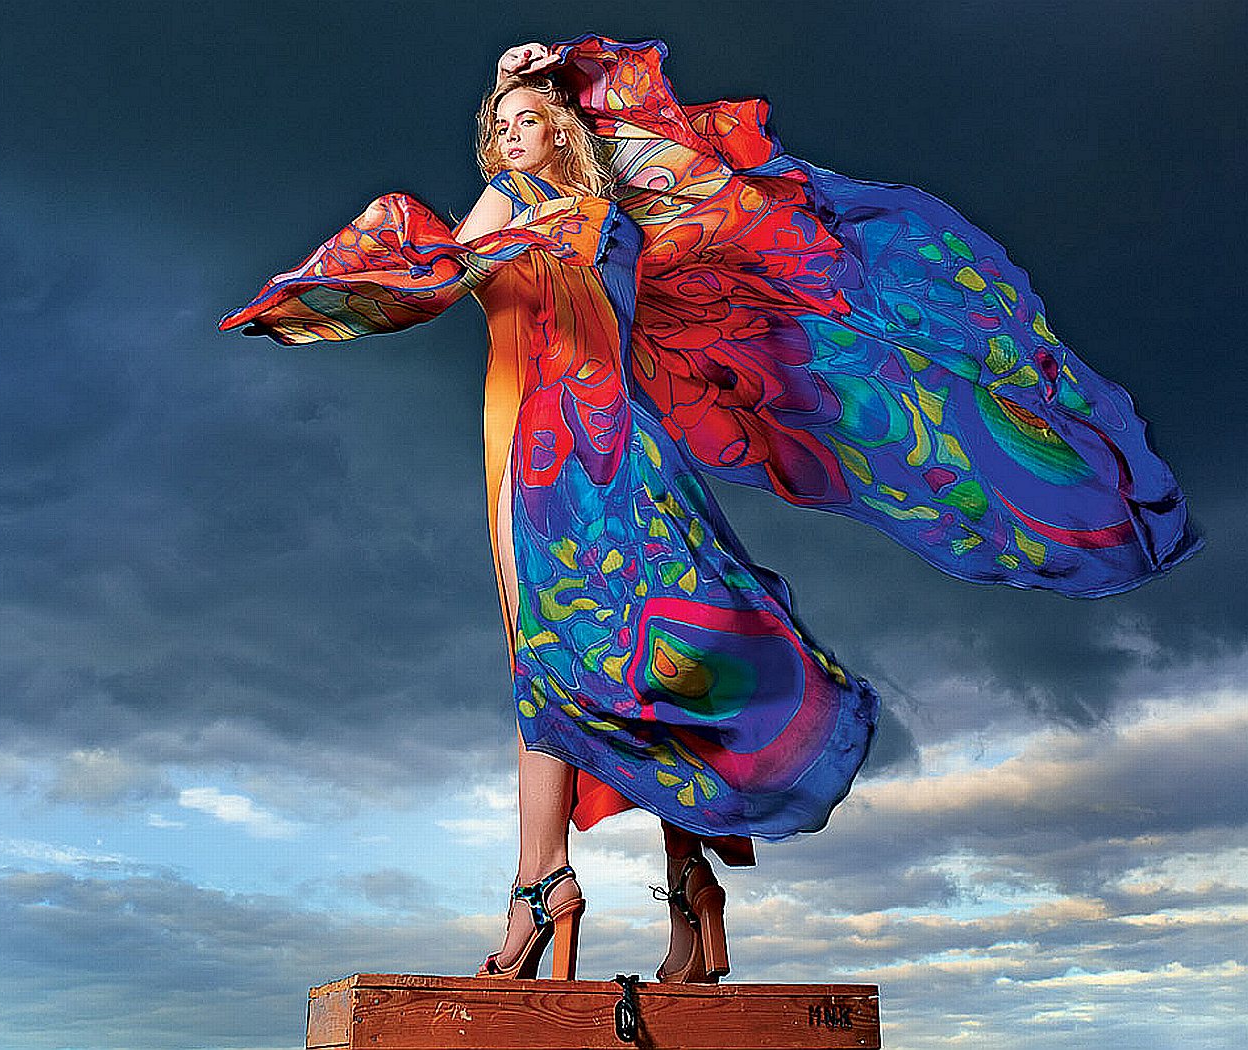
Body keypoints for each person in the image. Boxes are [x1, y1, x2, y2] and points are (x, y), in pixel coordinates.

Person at [220, 36, 1199, 984]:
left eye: (527, 122)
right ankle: (690, 889)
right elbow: (455, 259)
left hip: (556, 451)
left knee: (551, 659)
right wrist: (526, 89)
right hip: (605, 447)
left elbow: (449, 261)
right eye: (499, 127)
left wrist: (321, 293)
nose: (509, 136)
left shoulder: (577, 216)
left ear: (565, 130)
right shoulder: (590, 221)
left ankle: (540, 884)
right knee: (650, 658)